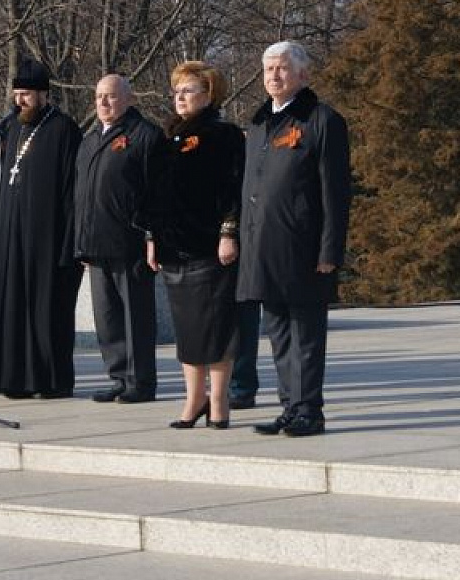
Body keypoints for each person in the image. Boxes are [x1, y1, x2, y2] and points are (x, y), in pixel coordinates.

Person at [240, 41, 352, 438]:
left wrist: (329, 249)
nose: (274, 75)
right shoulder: (257, 126)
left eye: (282, 68)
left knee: (305, 334)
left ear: (303, 75)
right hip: (264, 248)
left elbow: (334, 192)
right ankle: (289, 406)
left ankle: (309, 410)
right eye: (268, 68)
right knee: (280, 334)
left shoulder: (321, 120)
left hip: (304, 248)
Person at [0, 58, 83, 399]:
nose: (20, 101)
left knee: (45, 311)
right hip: (11, 235)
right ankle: (13, 378)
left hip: (46, 237)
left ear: (44, 95)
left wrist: (68, 243)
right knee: (11, 309)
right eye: (17, 94)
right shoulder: (12, 128)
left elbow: (69, 191)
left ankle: (49, 381)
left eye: (27, 95)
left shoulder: (63, 129)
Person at [144, 61, 243, 428]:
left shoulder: (223, 135)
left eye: (188, 91)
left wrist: (228, 232)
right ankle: (193, 398)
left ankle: (218, 400)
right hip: (173, 247)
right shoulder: (167, 136)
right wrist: (152, 237)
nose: (180, 98)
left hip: (208, 245)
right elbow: (154, 194)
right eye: (177, 91)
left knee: (214, 326)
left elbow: (234, 187)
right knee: (186, 328)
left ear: (208, 94)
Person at [77, 74, 162, 405]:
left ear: (128, 99)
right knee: (108, 316)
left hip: (131, 242)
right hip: (96, 242)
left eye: (110, 96)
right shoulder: (89, 141)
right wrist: (80, 241)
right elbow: (79, 194)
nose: (103, 102)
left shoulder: (145, 136)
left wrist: (152, 235)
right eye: (98, 96)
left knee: (134, 315)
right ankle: (118, 376)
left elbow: (155, 193)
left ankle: (139, 381)